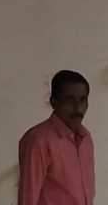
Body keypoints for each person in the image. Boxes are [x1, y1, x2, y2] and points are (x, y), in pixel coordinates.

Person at [19, 70, 95, 205]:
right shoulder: (38, 140)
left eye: (82, 100)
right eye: (70, 100)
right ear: (54, 102)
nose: (78, 108)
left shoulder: (86, 139)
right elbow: (28, 198)